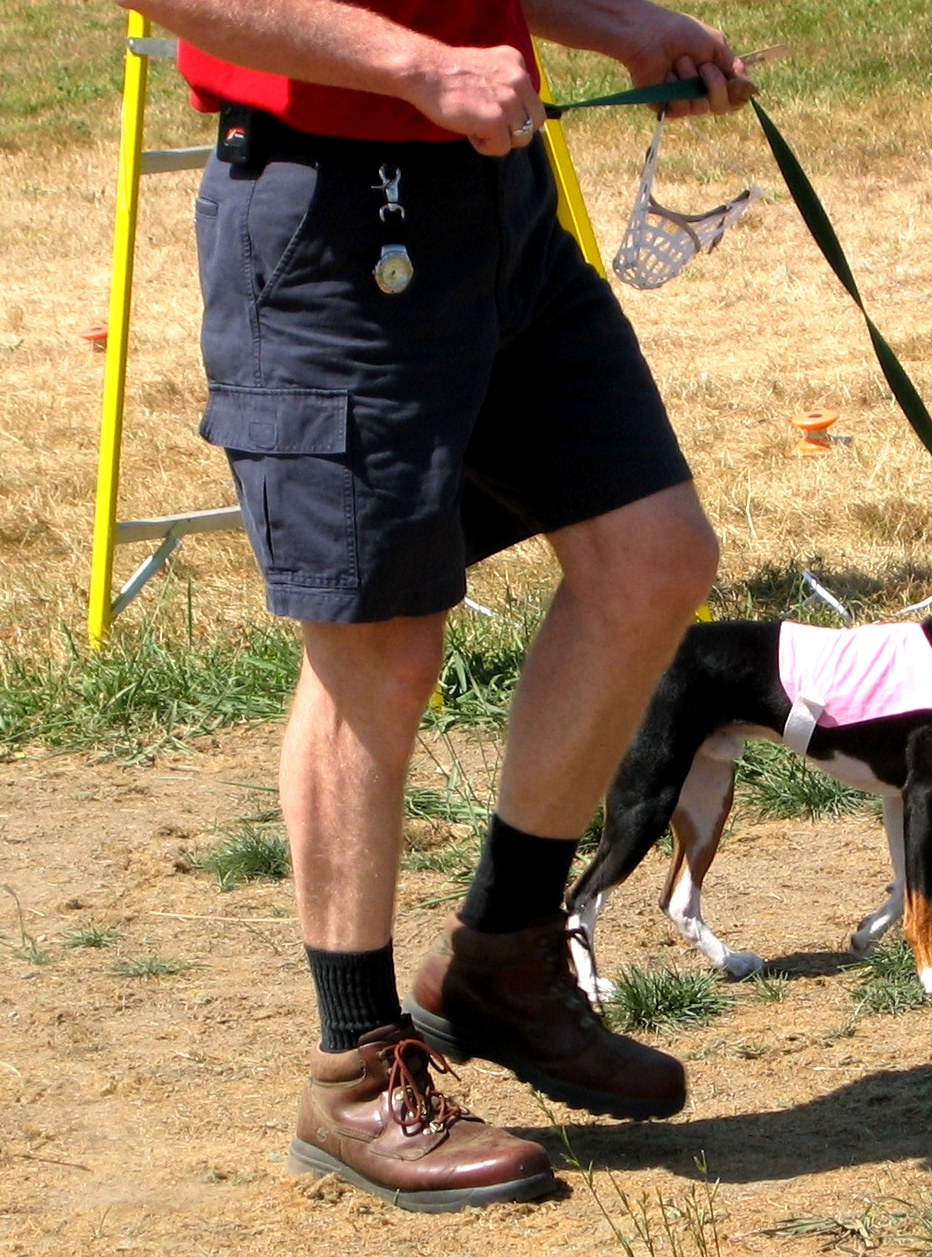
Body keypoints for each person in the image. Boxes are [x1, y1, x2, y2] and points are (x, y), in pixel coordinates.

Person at [120, 0, 755, 1213]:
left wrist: (620, 27)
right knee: (378, 644)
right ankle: (355, 1072)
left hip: (498, 209)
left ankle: (502, 960)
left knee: (652, 557)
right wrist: (415, 66)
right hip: (327, 221)